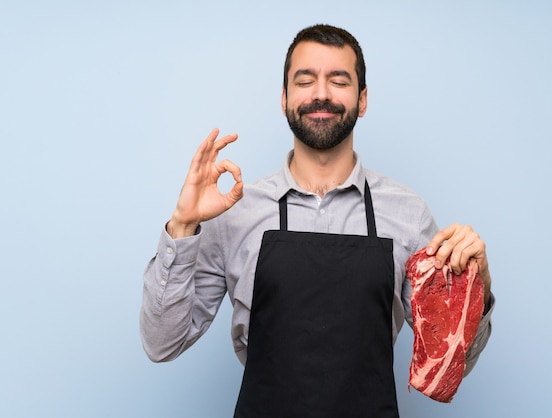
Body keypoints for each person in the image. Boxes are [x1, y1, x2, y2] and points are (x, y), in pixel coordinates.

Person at [140, 24, 494, 417]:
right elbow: (161, 344)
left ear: (362, 100)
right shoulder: (235, 212)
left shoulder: (408, 214)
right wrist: (183, 225)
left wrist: (476, 285)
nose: (321, 93)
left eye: (338, 81)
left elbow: (452, 364)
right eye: (305, 80)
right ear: (284, 98)